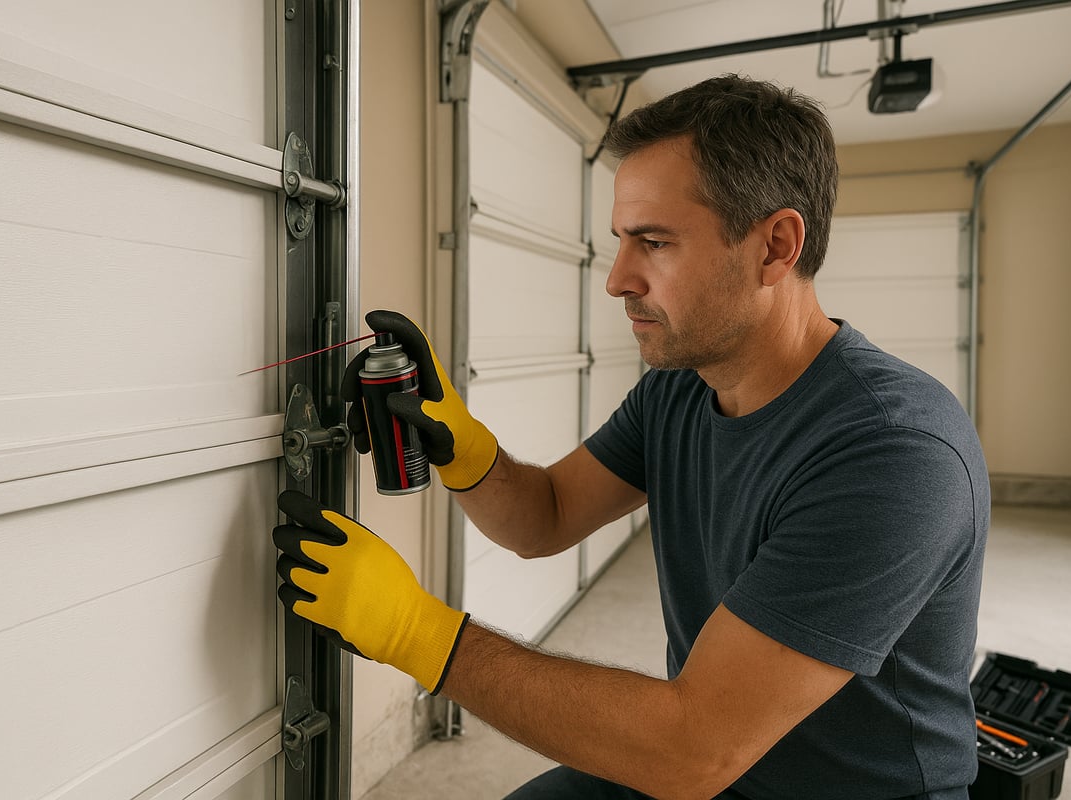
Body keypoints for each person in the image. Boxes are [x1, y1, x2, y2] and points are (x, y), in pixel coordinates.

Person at [272, 74, 990, 799]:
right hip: (719, 770)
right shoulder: (683, 385)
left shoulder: (895, 453)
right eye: (621, 242)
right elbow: (545, 516)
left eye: (654, 243)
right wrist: (464, 449)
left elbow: (689, 749)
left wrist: (414, 633)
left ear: (775, 246)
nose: (617, 280)